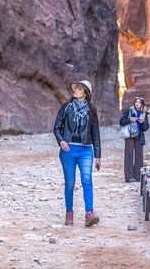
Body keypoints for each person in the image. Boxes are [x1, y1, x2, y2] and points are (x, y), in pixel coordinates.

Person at [53, 81, 101, 227]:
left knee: (87, 180)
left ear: (86, 93)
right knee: (70, 183)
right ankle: (69, 214)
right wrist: (61, 141)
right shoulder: (66, 107)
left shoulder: (92, 109)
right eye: (76, 88)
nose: (76, 90)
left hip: (86, 150)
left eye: (80, 89)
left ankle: (89, 214)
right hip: (68, 150)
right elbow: (56, 128)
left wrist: (98, 156)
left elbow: (96, 133)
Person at [120, 97, 150, 183]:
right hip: (129, 136)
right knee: (129, 156)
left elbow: (146, 128)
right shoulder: (129, 111)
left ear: (142, 104)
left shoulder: (144, 114)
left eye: (139, 102)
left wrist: (143, 122)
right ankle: (129, 177)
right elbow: (121, 122)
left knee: (139, 157)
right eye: (136, 102)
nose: (137, 104)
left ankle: (138, 177)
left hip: (139, 137)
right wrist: (130, 120)